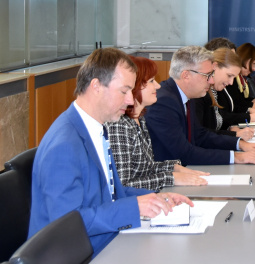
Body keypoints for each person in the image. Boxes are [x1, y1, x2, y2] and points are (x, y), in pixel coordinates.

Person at [29, 48, 193, 257]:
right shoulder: (64, 146)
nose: (131, 101)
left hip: (103, 243)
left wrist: (156, 198)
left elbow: (110, 192)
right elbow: (68, 224)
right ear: (96, 86)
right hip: (78, 254)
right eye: (124, 91)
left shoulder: (96, 127)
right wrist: (134, 208)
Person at [145, 46, 255, 166]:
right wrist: (236, 157)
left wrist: (238, 144)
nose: (211, 80)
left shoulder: (185, 95)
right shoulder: (164, 102)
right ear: (186, 75)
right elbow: (183, 153)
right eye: (207, 75)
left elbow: (199, 135)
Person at [107, 56, 211, 190]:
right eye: (151, 81)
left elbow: (147, 168)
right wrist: (171, 177)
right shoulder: (119, 126)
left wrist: (175, 168)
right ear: (134, 86)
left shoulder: (140, 119)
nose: (157, 85)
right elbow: (123, 185)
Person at [196, 48, 255, 138]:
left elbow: (217, 123)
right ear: (215, 67)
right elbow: (200, 135)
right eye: (229, 76)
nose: (231, 83)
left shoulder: (213, 91)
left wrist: (231, 128)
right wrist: (235, 136)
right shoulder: (199, 94)